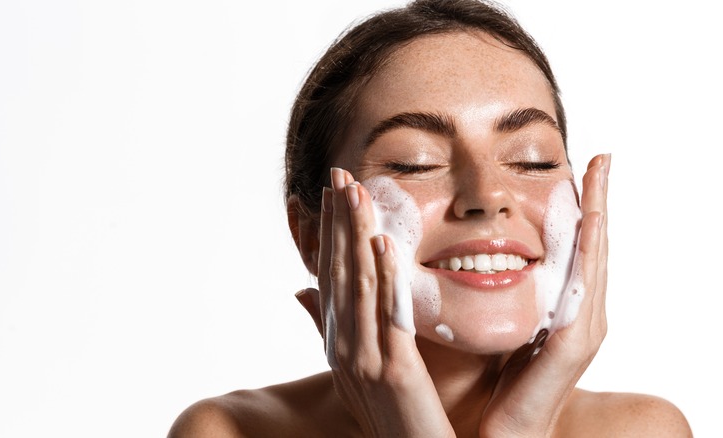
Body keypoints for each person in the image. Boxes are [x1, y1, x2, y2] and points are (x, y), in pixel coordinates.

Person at [168, 0, 692, 436]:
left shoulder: (646, 429)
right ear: (311, 235)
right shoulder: (229, 432)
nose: (487, 195)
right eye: (415, 163)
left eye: (532, 158)